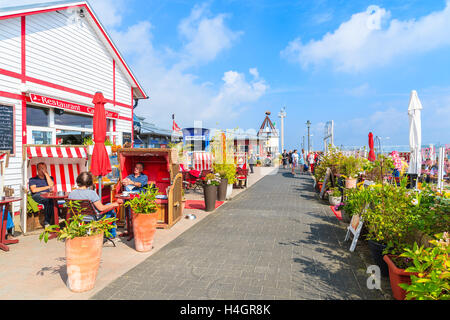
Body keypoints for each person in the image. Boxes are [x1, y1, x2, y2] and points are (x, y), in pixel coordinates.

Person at [68, 172, 122, 239]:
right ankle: (111, 235)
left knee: (109, 206)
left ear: (78, 180)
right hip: (92, 219)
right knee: (110, 208)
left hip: (78, 218)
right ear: (90, 182)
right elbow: (101, 208)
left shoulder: (71, 194)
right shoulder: (91, 193)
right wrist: (115, 204)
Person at [29, 162, 55, 228]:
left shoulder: (50, 178)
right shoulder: (33, 179)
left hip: (48, 195)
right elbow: (34, 190)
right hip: (37, 195)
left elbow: (51, 184)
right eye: (41, 168)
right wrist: (47, 187)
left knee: (51, 200)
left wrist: (46, 174)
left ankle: (49, 221)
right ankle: (49, 221)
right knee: (48, 200)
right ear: (37, 170)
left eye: (44, 168)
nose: (43, 170)